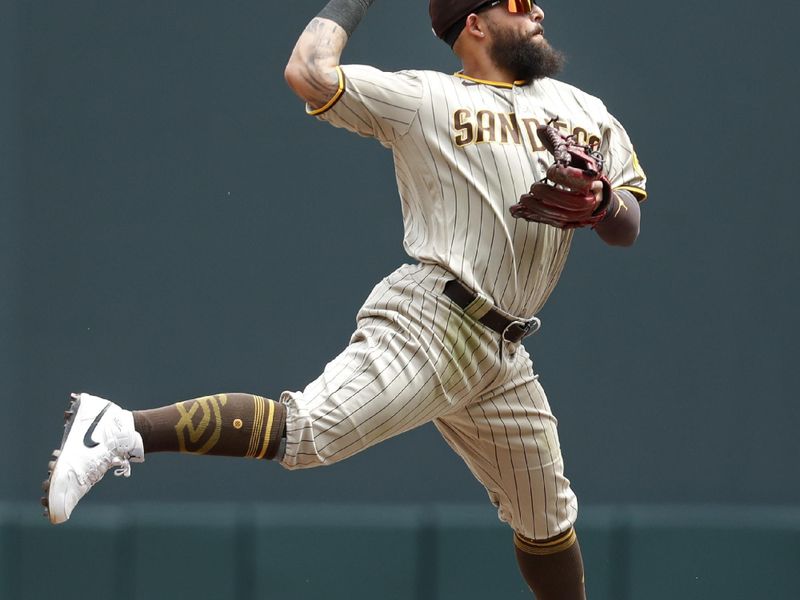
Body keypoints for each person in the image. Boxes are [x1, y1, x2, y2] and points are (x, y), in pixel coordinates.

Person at [42, 1, 646, 598]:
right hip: (435, 318)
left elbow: (628, 225)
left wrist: (603, 205)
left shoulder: (582, 110)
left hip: (504, 352)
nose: (537, 10)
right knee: (309, 433)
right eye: (518, 2)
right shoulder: (423, 98)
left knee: (546, 518)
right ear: (475, 23)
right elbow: (308, 71)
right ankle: (120, 427)